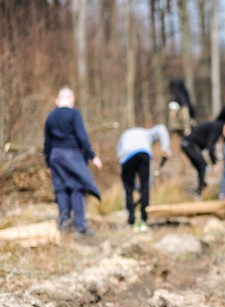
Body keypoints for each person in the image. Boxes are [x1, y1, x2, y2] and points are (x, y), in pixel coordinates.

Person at [43, 87, 102, 236]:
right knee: (77, 188)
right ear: (72, 99)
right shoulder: (74, 113)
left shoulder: (50, 116)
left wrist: (48, 163)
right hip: (72, 154)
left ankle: (64, 224)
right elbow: (82, 136)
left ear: (57, 101)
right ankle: (79, 227)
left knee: (61, 189)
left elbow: (47, 143)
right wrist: (92, 156)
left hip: (55, 156)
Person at [116, 124, 171, 232]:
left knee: (128, 188)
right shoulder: (148, 133)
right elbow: (161, 129)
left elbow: (119, 151)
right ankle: (144, 219)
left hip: (126, 156)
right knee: (145, 186)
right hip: (143, 153)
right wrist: (165, 148)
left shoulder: (125, 134)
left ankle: (131, 219)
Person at [181, 120, 225, 199]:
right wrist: (214, 162)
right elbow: (210, 146)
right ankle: (199, 191)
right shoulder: (218, 128)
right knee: (203, 166)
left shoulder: (216, 126)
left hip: (189, 144)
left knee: (201, 167)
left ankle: (200, 189)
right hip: (189, 144)